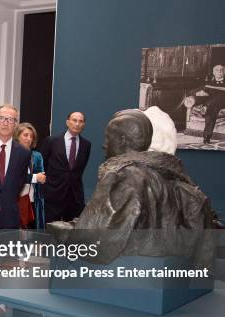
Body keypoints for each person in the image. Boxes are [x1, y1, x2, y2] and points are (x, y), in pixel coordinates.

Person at [61, 109, 214, 269]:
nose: (104, 144)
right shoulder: (176, 184)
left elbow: (95, 243)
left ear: (122, 140)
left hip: (123, 277)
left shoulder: (123, 177)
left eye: (108, 138)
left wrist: (64, 233)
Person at [41, 111, 91, 223]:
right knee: (49, 233)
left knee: (72, 235)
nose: (77, 124)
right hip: (53, 195)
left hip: (74, 197)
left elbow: (79, 170)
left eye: (80, 121)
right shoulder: (52, 141)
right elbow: (42, 166)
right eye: (74, 120)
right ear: (67, 122)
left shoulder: (86, 145)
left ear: (83, 125)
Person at [15, 122, 47, 229]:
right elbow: (16, 176)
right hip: (15, 201)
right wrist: (34, 177)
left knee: (31, 236)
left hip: (33, 201)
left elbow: (41, 178)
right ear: (17, 136)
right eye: (25, 135)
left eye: (31, 136)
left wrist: (37, 178)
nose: (28, 138)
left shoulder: (37, 156)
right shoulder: (11, 154)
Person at [195, 64, 225, 144]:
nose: (219, 72)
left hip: (222, 102)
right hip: (213, 106)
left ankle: (206, 107)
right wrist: (198, 93)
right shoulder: (209, 83)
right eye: (217, 71)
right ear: (213, 73)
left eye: (221, 71)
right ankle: (207, 137)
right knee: (211, 113)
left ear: (224, 72)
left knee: (220, 97)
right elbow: (197, 90)